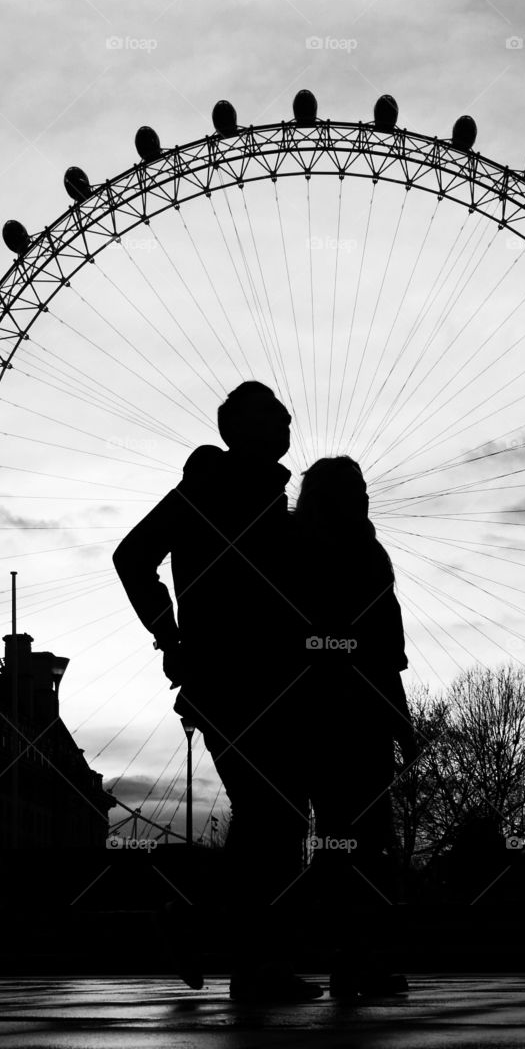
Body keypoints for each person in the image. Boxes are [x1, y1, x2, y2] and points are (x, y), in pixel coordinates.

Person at [112, 381, 321, 1001]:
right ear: (241, 429)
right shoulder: (209, 489)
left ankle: (245, 957)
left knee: (273, 818)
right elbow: (132, 555)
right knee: (273, 816)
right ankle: (237, 952)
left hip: (261, 680)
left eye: (286, 418)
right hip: (236, 680)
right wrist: (169, 636)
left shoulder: (261, 497)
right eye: (274, 418)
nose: (285, 426)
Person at [292, 456, 416, 997]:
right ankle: (352, 960)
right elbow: (383, 654)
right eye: (355, 489)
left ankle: (349, 958)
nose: (365, 497)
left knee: (342, 842)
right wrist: (401, 723)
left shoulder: (299, 547)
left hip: (318, 713)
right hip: (351, 717)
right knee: (360, 843)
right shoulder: (362, 556)